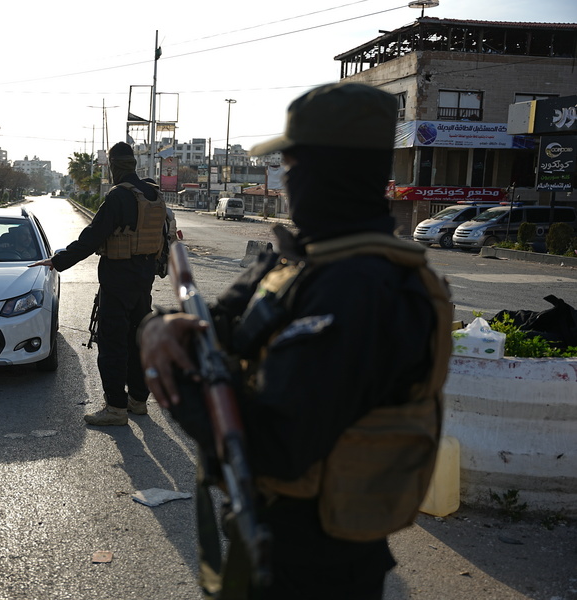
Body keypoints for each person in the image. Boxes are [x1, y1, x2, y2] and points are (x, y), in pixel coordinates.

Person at [139, 82, 452, 598]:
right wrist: (160, 326)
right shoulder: (300, 261)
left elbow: (277, 450)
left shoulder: (365, 290)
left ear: (317, 170)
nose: (286, 179)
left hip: (321, 565)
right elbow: (217, 323)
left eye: (291, 165)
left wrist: (172, 378)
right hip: (266, 532)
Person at [31, 142, 167, 426]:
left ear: (114, 167)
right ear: (134, 165)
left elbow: (92, 238)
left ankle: (116, 408)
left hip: (118, 280)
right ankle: (138, 400)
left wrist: (58, 261)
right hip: (144, 279)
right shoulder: (153, 193)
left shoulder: (119, 197)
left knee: (113, 342)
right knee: (138, 339)